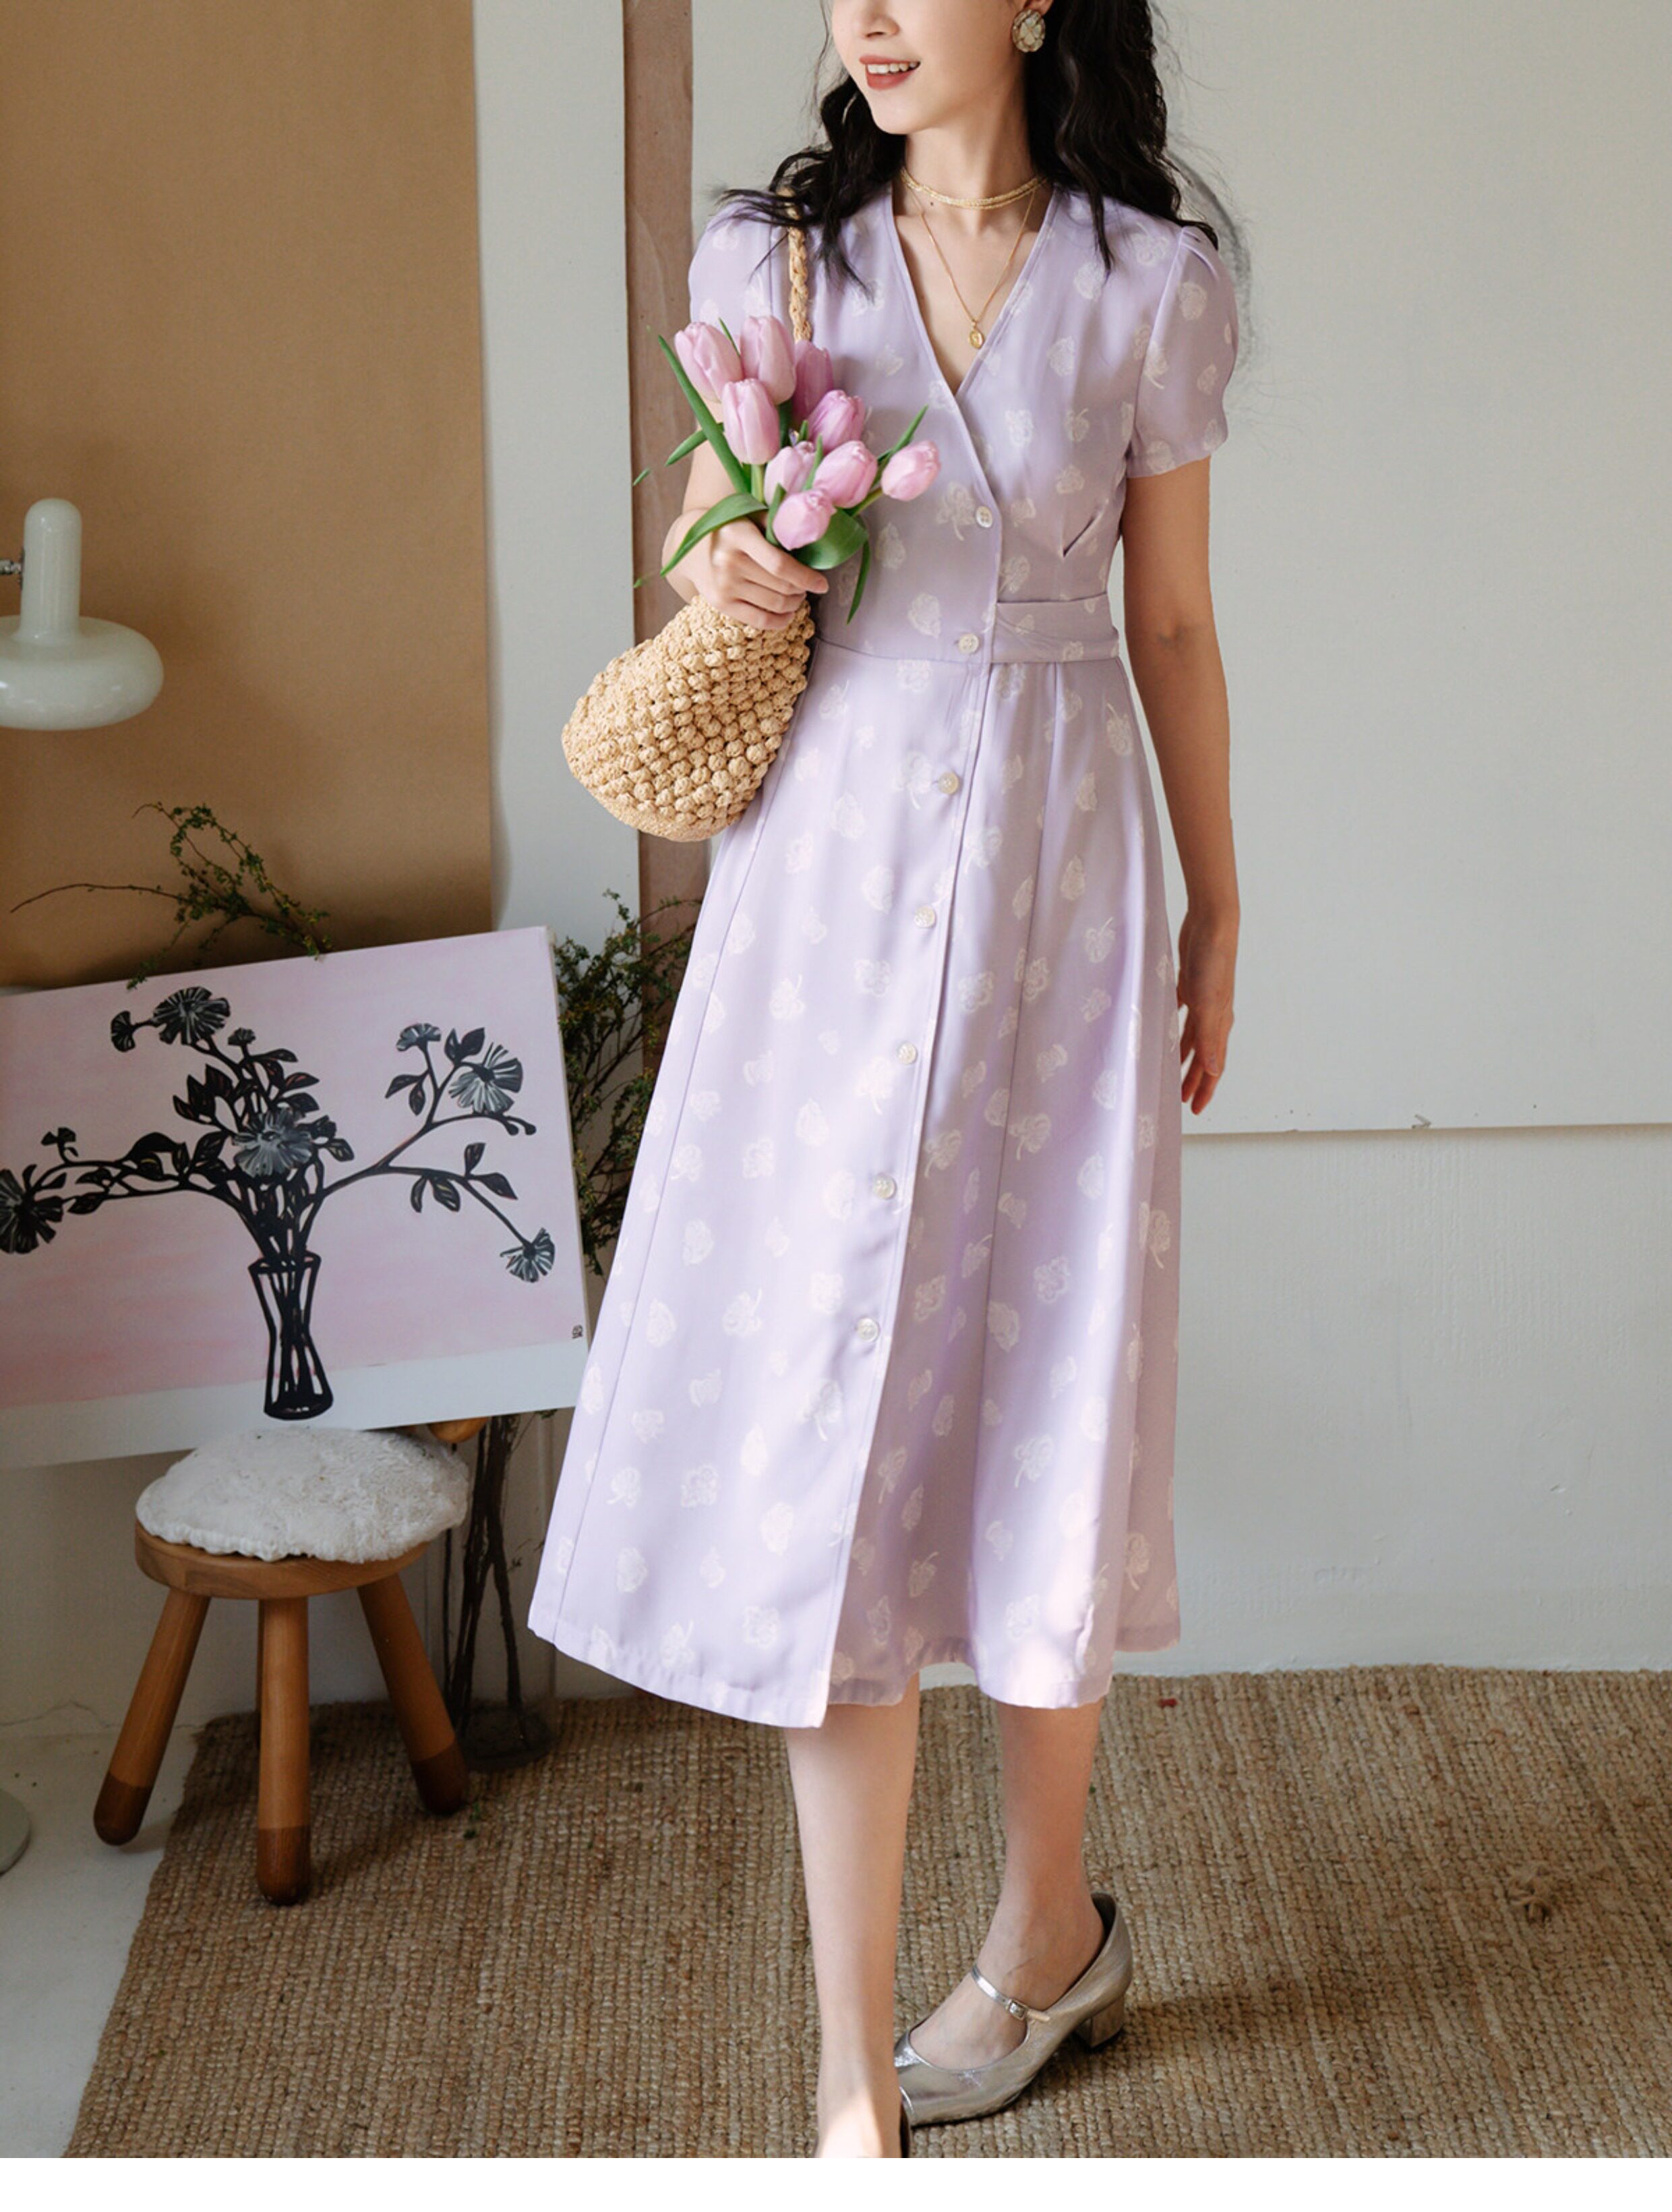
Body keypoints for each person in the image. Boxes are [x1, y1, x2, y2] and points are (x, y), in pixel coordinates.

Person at [529, 0, 1243, 2157]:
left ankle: (1047, 1933)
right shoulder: (776, 261)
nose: (865, 12)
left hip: (1063, 886)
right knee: (831, 1428)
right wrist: (735, 557)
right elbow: (703, 553)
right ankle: (852, 2071)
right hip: (827, 887)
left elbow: (1175, 623)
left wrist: (1223, 901)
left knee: (1045, 1393)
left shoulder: (1149, 280)